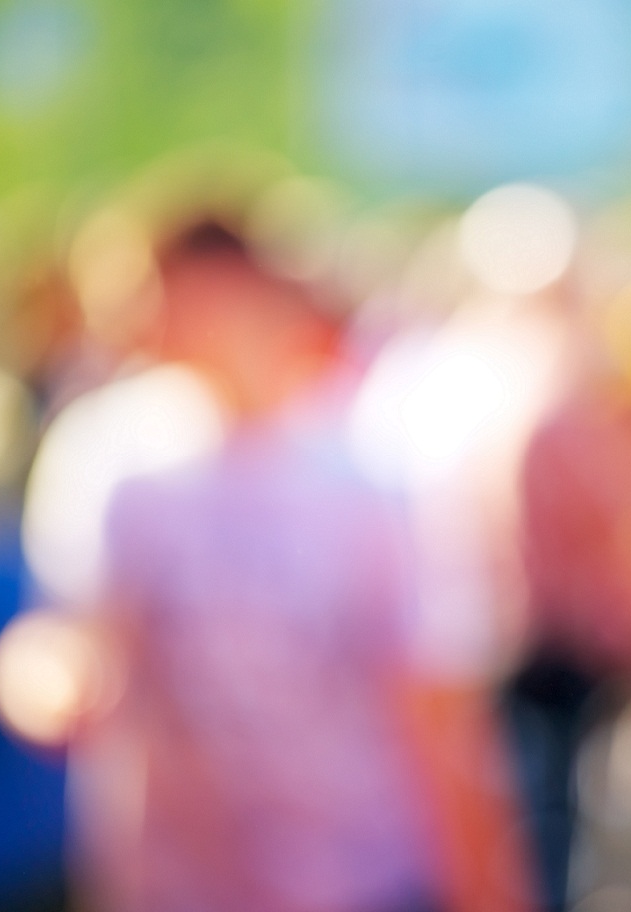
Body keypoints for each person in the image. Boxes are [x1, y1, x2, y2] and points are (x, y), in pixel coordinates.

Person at [69, 218, 532, 912]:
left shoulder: (366, 480)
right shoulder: (118, 466)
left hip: (358, 882)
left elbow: (439, 717)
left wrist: (489, 891)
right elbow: (90, 654)